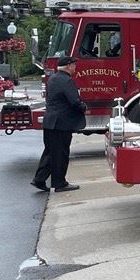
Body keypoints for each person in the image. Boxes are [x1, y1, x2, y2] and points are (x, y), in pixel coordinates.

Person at [31, 56, 87, 193]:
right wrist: (83, 106)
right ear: (68, 66)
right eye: (74, 65)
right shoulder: (67, 81)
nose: (75, 67)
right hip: (62, 123)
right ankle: (59, 183)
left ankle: (39, 179)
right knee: (61, 154)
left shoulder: (53, 79)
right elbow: (74, 101)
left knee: (50, 152)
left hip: (50, 121)